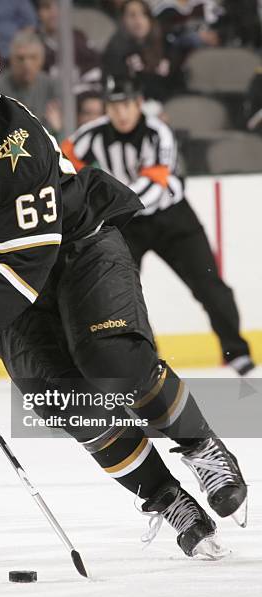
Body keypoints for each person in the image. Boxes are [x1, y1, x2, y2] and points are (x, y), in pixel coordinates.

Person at [0, 29, 248, 560]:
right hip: (3, 275)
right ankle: (166, 497)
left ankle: (199, 445)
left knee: (112, 363)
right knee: (63, 399)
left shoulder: (19, 144)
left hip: (80, 253)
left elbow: (24, 262)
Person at [62, 78, 256, 377]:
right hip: (126, 224)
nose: (121, 113)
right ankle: (148, 363)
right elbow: (62, 163)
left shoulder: (157, 131)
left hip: (172, 218)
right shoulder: (93, 134)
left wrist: (103, 204)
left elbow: (157, 182)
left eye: (126, 105)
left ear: (138, 104)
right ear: (107, 108)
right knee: (123, 296)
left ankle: (237, 353)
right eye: (114, 106)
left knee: (209, 286)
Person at [101, 0, 181, 103]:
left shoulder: (167, 46)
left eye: (144, 14)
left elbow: (178, 85)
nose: (138, 20)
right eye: (132, 15)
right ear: (122, 20)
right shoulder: (114, 51)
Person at [0, 30, 62, 136]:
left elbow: (59, 130)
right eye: (20, 58)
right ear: (11, 60)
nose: (27, 64)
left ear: (41, 60)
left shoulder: (52, 86)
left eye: (33, 57)